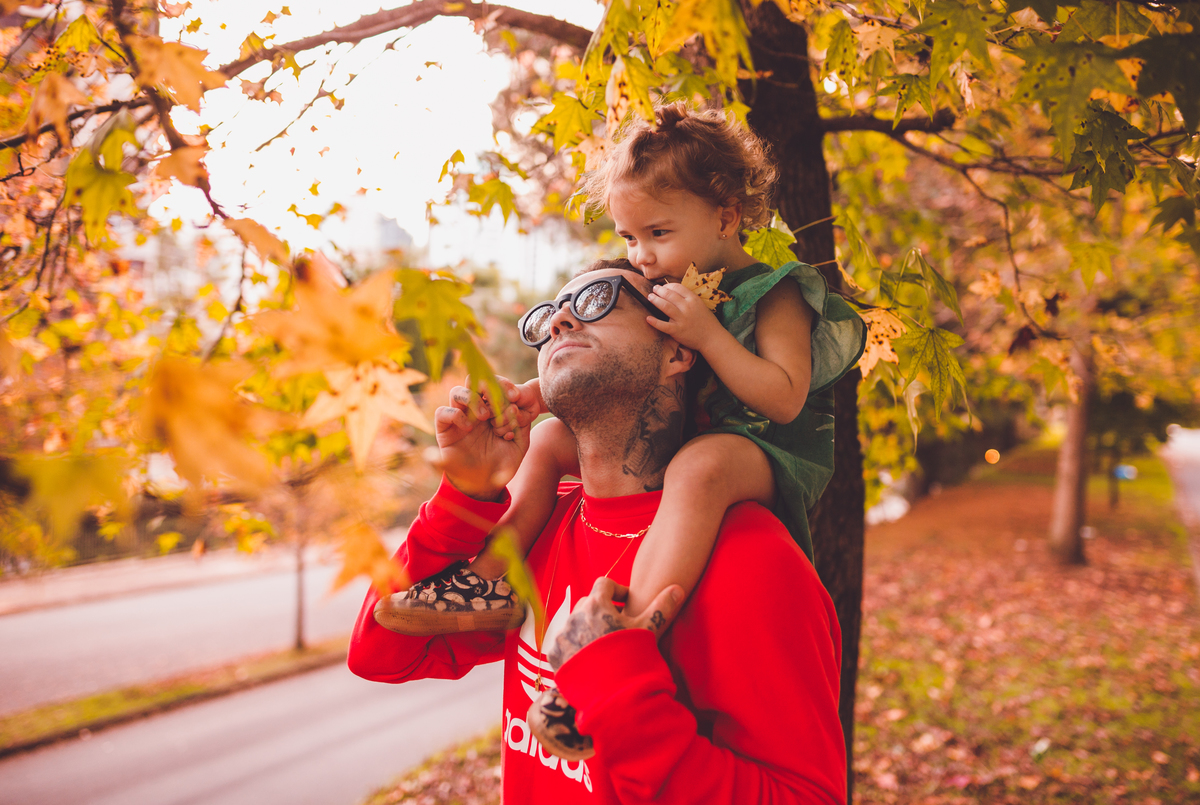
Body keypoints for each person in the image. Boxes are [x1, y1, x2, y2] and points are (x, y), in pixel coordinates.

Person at [378, 103, 866, 757]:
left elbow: (783, 399)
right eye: (628, 238)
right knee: (553, 437)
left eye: (656, 233)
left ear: (725, 214)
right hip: (700, 437)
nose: (641, 256)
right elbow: (379, 653)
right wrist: (533, 401)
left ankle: (621, 633)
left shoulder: (774, 291)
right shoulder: (682, 282)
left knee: (699, 469)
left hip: (767, 445)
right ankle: (492, 579)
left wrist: (708, 336)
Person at [350, 264, 847, 803]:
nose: (560, 319)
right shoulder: (539, 526)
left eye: (598, 300)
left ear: (677, 351)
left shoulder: (750, 556)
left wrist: (618, 695)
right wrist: (464, 496)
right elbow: (381, 652)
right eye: (548, 317)